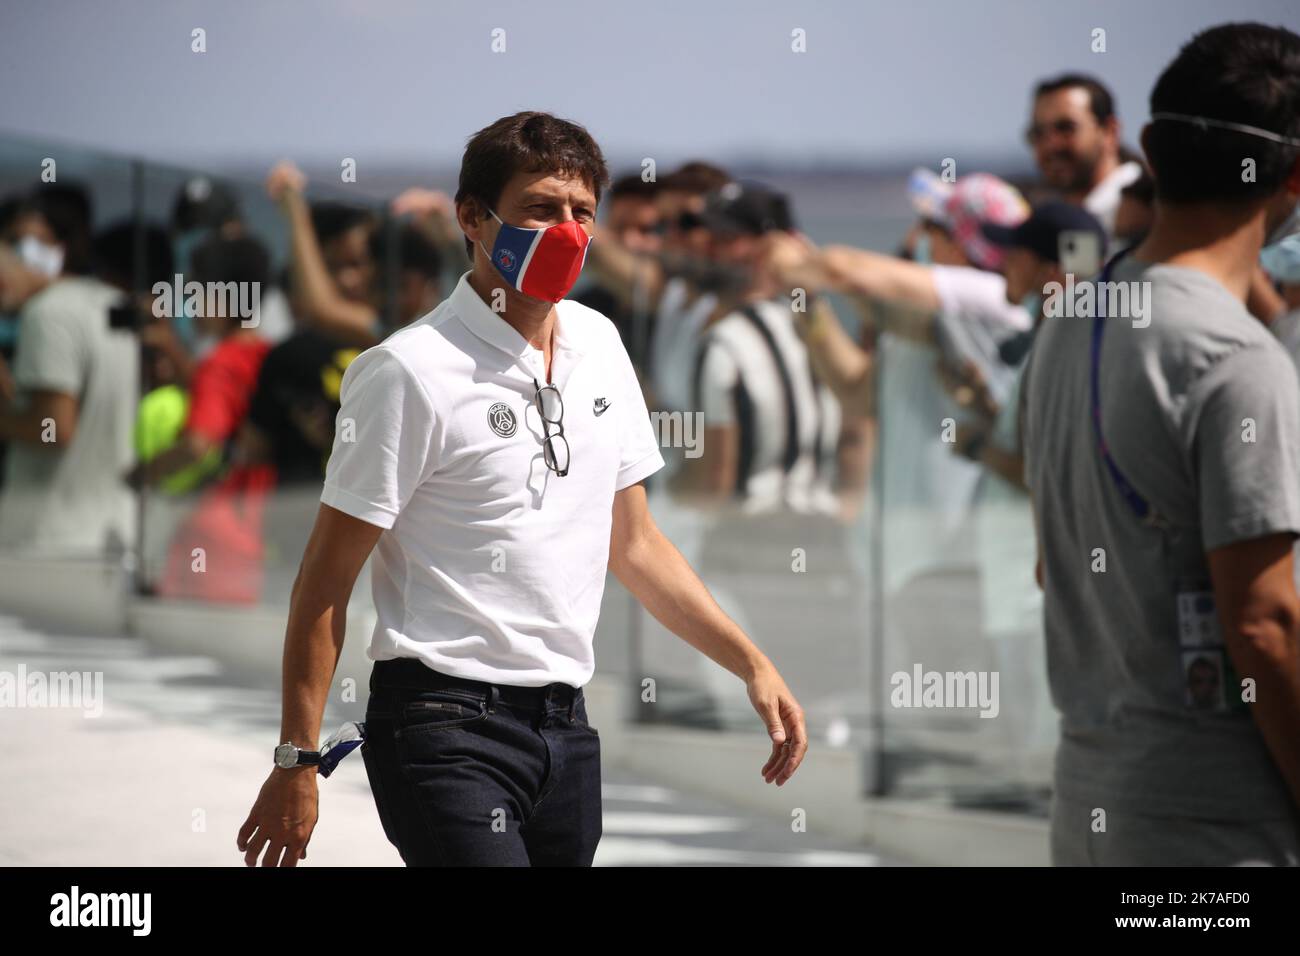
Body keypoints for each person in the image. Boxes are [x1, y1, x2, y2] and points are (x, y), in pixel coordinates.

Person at [236, 111, 807, 867]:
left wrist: (750, 662)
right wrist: (295, 759)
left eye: (582, 214)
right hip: (441, 728)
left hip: (566, 732)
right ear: (472, 217)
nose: (567, 230)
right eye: (541, 208)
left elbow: (634, 545)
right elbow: (325, 582)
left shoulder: (600, 344)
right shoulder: (407, 371)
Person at [1022, 22, 1300, 866]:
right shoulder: (1233, 355)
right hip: (1216, 823)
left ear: (1146, 144)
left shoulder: (1071, 322)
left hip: (1092, 802)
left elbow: (1052, 561)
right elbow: (1264, 624)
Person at [0, 202, 141, 556]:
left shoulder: (46, 314)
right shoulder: (112, 303)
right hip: (114, 531)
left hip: (49, 539)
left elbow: (54, 427)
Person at [1025, 73, 1143, 238]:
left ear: (1110, 131)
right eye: (1038, 133)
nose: (1051, 145)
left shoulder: (1148, 207)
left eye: (1066, 128)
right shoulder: (1056, 221)